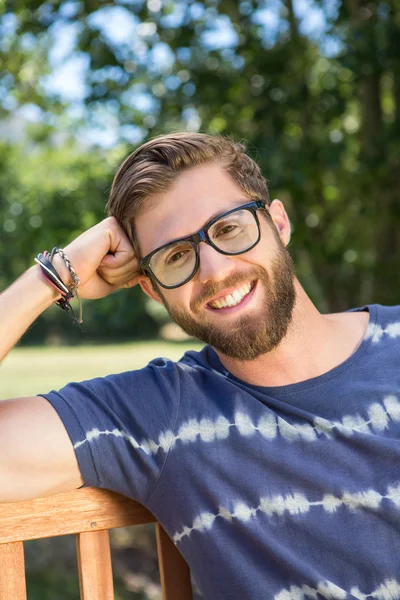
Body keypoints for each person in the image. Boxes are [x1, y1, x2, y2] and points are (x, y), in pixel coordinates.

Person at [1, 132, 399, 600]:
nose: (213, 271)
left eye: (228, 228)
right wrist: (56, 275)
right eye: (175, 257)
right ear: (152, 290)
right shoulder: (159, 416)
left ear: (278, 223)